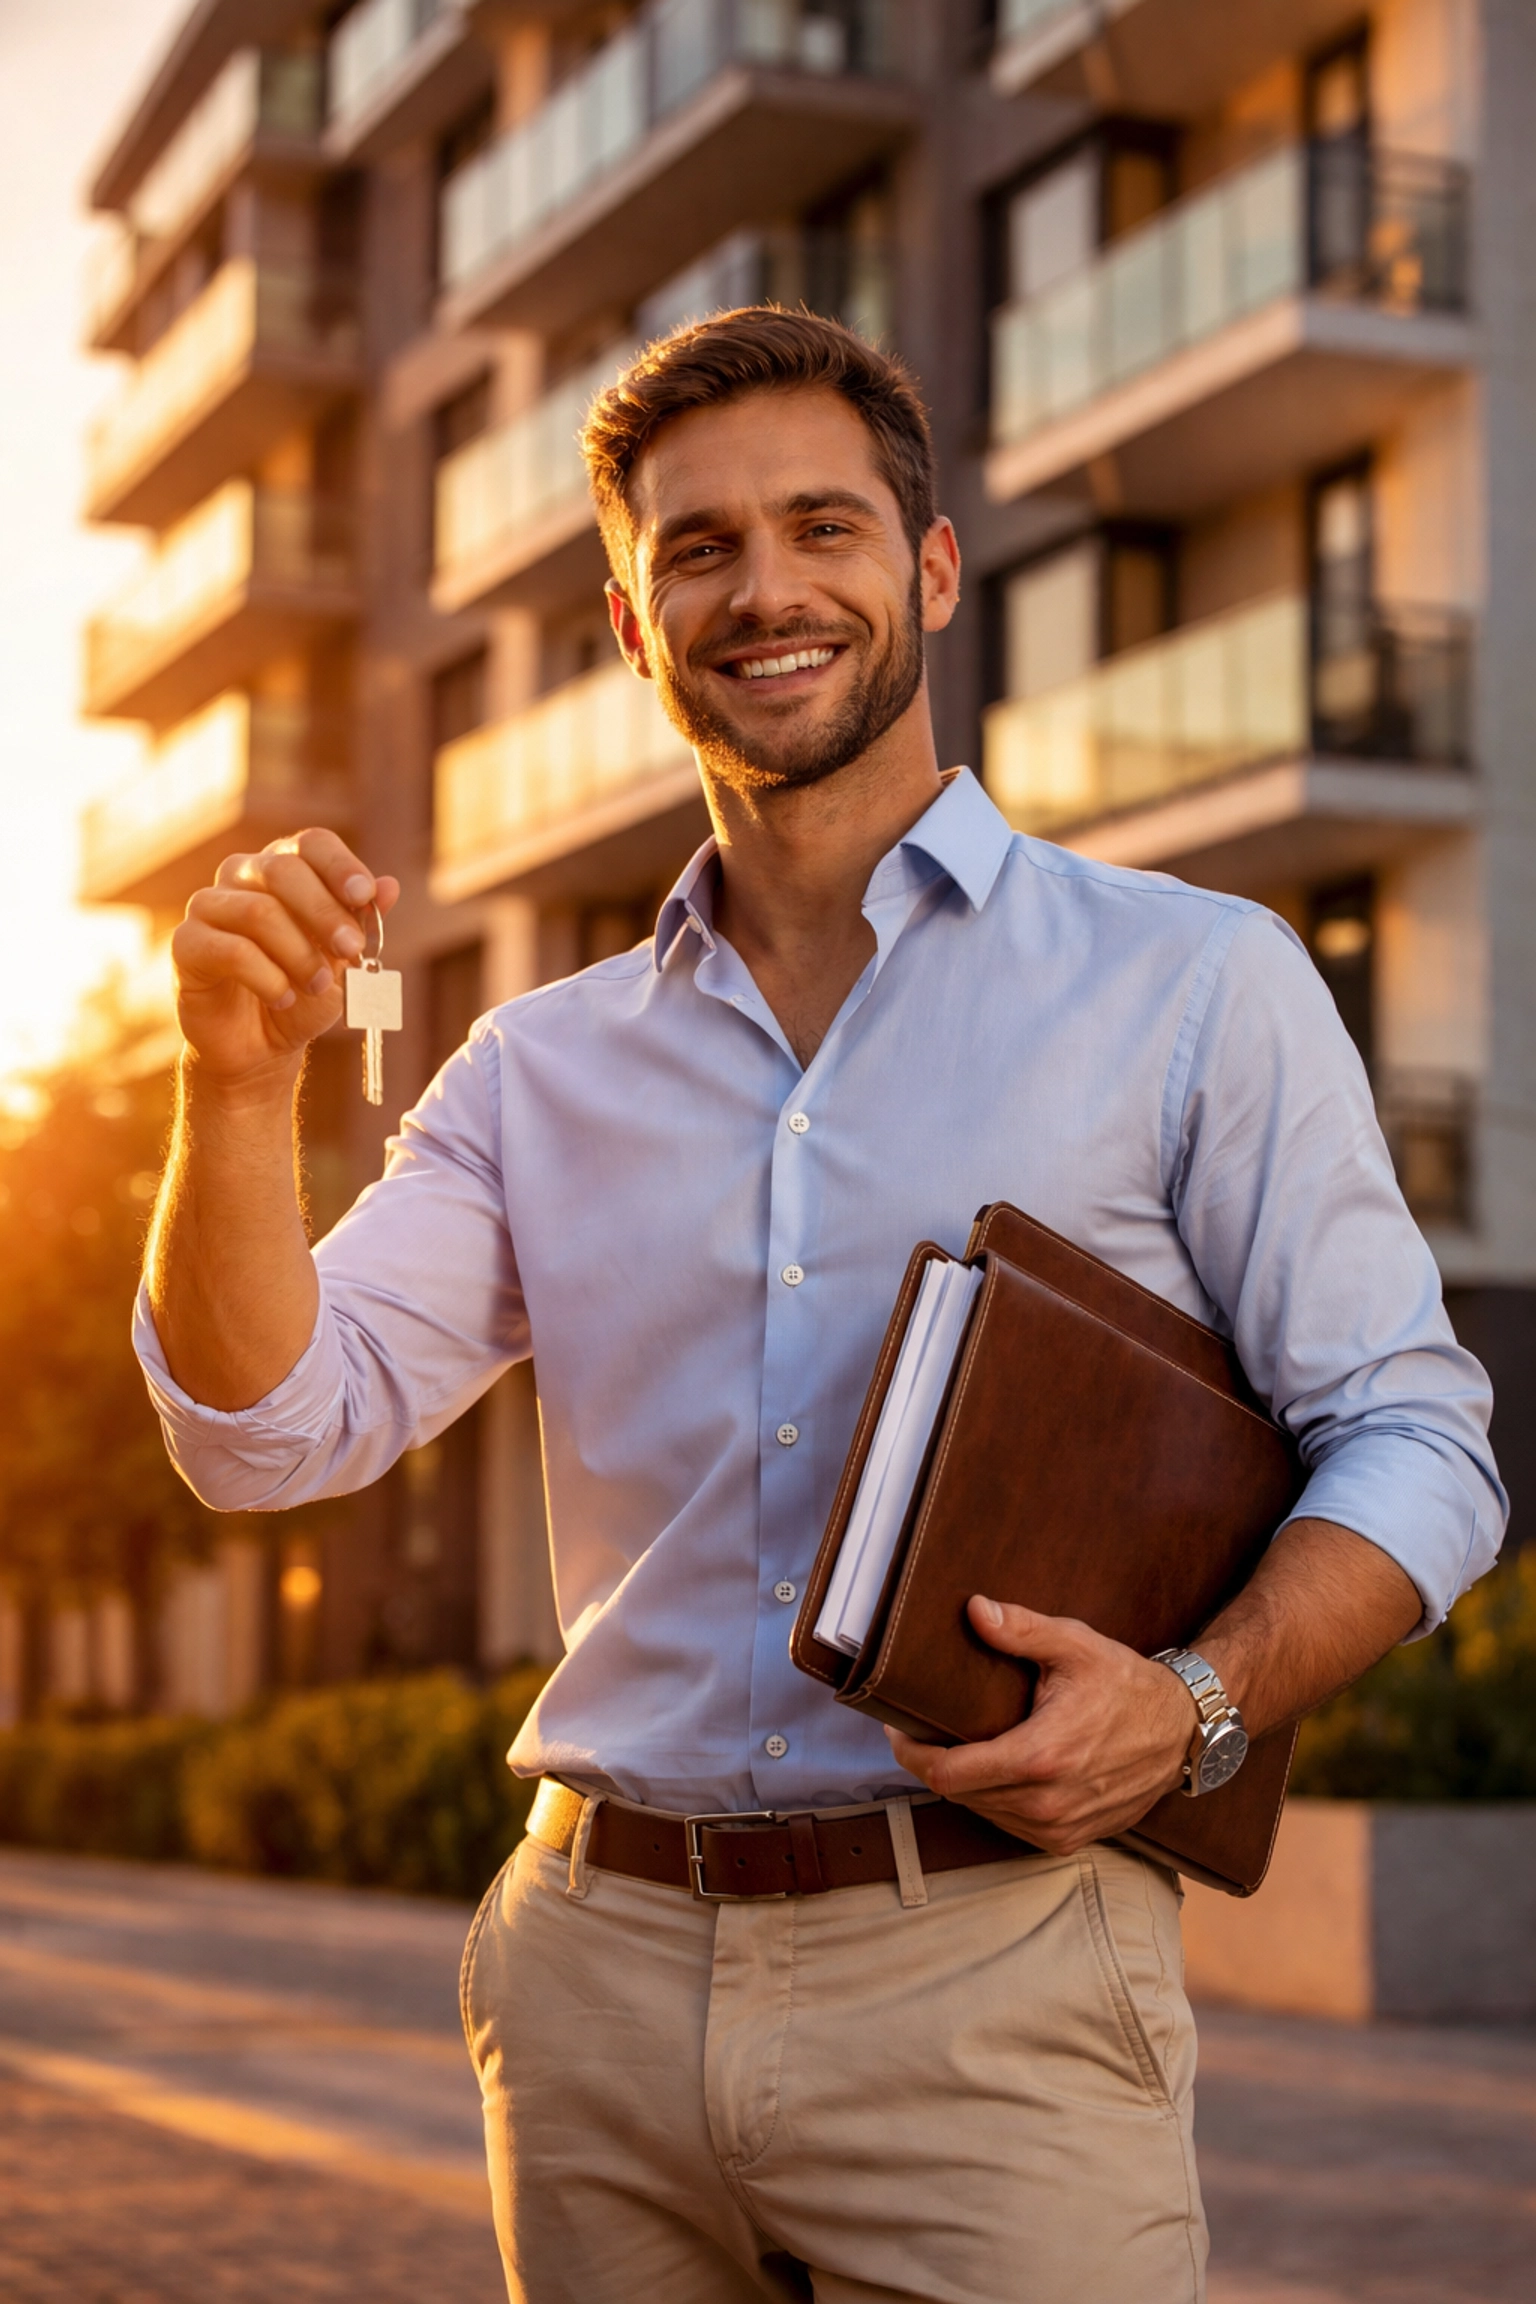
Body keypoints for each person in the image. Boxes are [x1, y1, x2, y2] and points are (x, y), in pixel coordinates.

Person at [137, 309, 1504, 2304]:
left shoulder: (1193, 981)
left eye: (823, 527)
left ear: (931, 571)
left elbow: (1421, 1439)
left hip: (995, 1971)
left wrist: (1199, 1706)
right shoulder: (533, 1068)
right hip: (593, 1978)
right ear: (631, 626)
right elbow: (268, 1435)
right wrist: (234, 1093)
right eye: (696, 550)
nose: (764, 590)